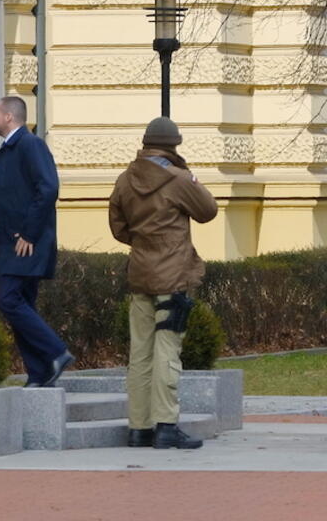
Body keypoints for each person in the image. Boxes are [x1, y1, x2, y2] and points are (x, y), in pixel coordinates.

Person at [109, 116, 218, 449]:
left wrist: (146, 243)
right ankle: (166, 426)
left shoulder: (125, 180)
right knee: (168, 350)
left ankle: (138, 428)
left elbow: (118, 228)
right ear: (174, 146)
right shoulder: (178, 179)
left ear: (145, 143)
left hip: (140, 273)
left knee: (139, 353)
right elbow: (208, 210)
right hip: (172, 277)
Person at [0, 96, 74, 388]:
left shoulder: (30, 145)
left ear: (8, 117)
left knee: (8, 300)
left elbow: (48, 188)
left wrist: (30, 233)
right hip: (9, 245)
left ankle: (56, 351)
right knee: (24, 306)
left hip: (26, 243)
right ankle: (40, 373)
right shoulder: (6, 151)